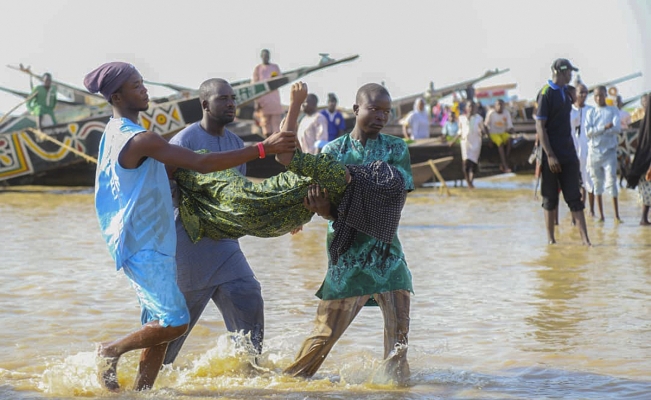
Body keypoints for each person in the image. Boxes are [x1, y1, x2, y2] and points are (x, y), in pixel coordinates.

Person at [83, 61, 296, 392]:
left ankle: (142, 392)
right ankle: (110, 351)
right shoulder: (142, 139)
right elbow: (201, 163)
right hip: (150, 242)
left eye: (143, 83)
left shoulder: (113, 133)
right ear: (116, 95)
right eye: (136, 86)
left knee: (163, 320)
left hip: (149, 238)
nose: (145, 90)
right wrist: (263, 148)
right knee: (174, 322)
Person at [283, 83, 414, 384]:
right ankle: (285, 386)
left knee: (398, 347)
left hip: (386, 254)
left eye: (386, 111)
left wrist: (344, 195)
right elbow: (329, 206)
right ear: (356, 110)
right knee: (320, 341)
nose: (381, 116)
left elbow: (393, 198)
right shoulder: (333, 152)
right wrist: (320, 209)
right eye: (374, 109)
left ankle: (395, 390)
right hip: (348, 256)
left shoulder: (396, 149)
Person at [161, 78, 266, 368]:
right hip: (189, 241)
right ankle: (150, 380)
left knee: (247, 294)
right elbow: (166, 194)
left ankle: (250, 373)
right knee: (175, 323)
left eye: (233, 98)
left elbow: (236, 193)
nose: (231, 103)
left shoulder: (234, 143)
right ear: (205, 104)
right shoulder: (185, 141)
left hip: (224, 241)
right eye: (223, 98)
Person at [534, 58, 591, 245]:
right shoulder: (545, 93)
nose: (571, 75)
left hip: (568, 154)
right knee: (550, 198)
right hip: (551, 155)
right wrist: (550, 155)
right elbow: (540, 127)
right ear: (561, 71)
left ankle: (586, 241)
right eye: (569, 72)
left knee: (574, 196)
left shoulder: (566, 93)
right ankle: (551, 240)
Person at [585, 85, 622, 222]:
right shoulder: (591, 112)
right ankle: (601, 216)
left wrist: (599, 130)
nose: (599, 98)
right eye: (596, 95)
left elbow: (617, 128)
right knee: (597, 183)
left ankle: (616, 216)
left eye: (601, 95)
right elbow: (588, 133)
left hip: (609, 151)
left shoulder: (613, 110)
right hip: (594, 152)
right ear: (594, 97)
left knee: (612, 182)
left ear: (606, 95)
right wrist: (604, 127)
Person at [570, 83, 595, 216]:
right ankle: (578, 210)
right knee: (577, 183)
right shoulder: (569, 111)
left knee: (590, 181)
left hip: (589, 151)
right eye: (581, 92)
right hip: (573, 151)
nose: (584, 95)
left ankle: (591, 210)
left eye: (586, 92)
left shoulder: (592, 110)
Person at [626, 95, 651, 225]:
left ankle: (644, 218)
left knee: (647, 194)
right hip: (647, 163)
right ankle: (644, 219)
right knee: (647, 193)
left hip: (644, 161)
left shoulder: (645, 122)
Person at [450, 102, 484, 188]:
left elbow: (482, 129)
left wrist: (485, 134)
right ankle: (469, 183)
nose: (471, 108)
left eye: (473, 106)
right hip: (465, 142)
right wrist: (454, 140)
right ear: (466, 108)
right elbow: (460, 131)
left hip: (476, 141)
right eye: (469, 106)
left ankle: (471, 181)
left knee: (474, 164)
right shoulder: (461, 118)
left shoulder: (479, 118)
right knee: (465, 163)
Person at [252, 49, 283, 138]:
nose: (266, 57)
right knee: (265, 125)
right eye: (264, 55)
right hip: (263, 101)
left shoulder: (275, 67)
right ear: (261, 57)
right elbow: (254, 85)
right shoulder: (258, 69)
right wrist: (256, 102)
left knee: (276, 125)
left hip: (274, 100)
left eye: (267, 55)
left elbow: (280, 80)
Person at [484, 99, 514, 173]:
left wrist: (512, 130)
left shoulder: (506, 113)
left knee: (509, 140)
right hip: (493, 133)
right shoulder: (491, 113)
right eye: (498, 105)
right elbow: (485, 126)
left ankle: (505, 161)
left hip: (503, 133)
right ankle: (505, 166)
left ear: (504, 106)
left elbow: (510, 126)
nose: (500, 106)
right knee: (500, 143)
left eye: (501, 104)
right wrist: (489, 138)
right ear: (495, 106)